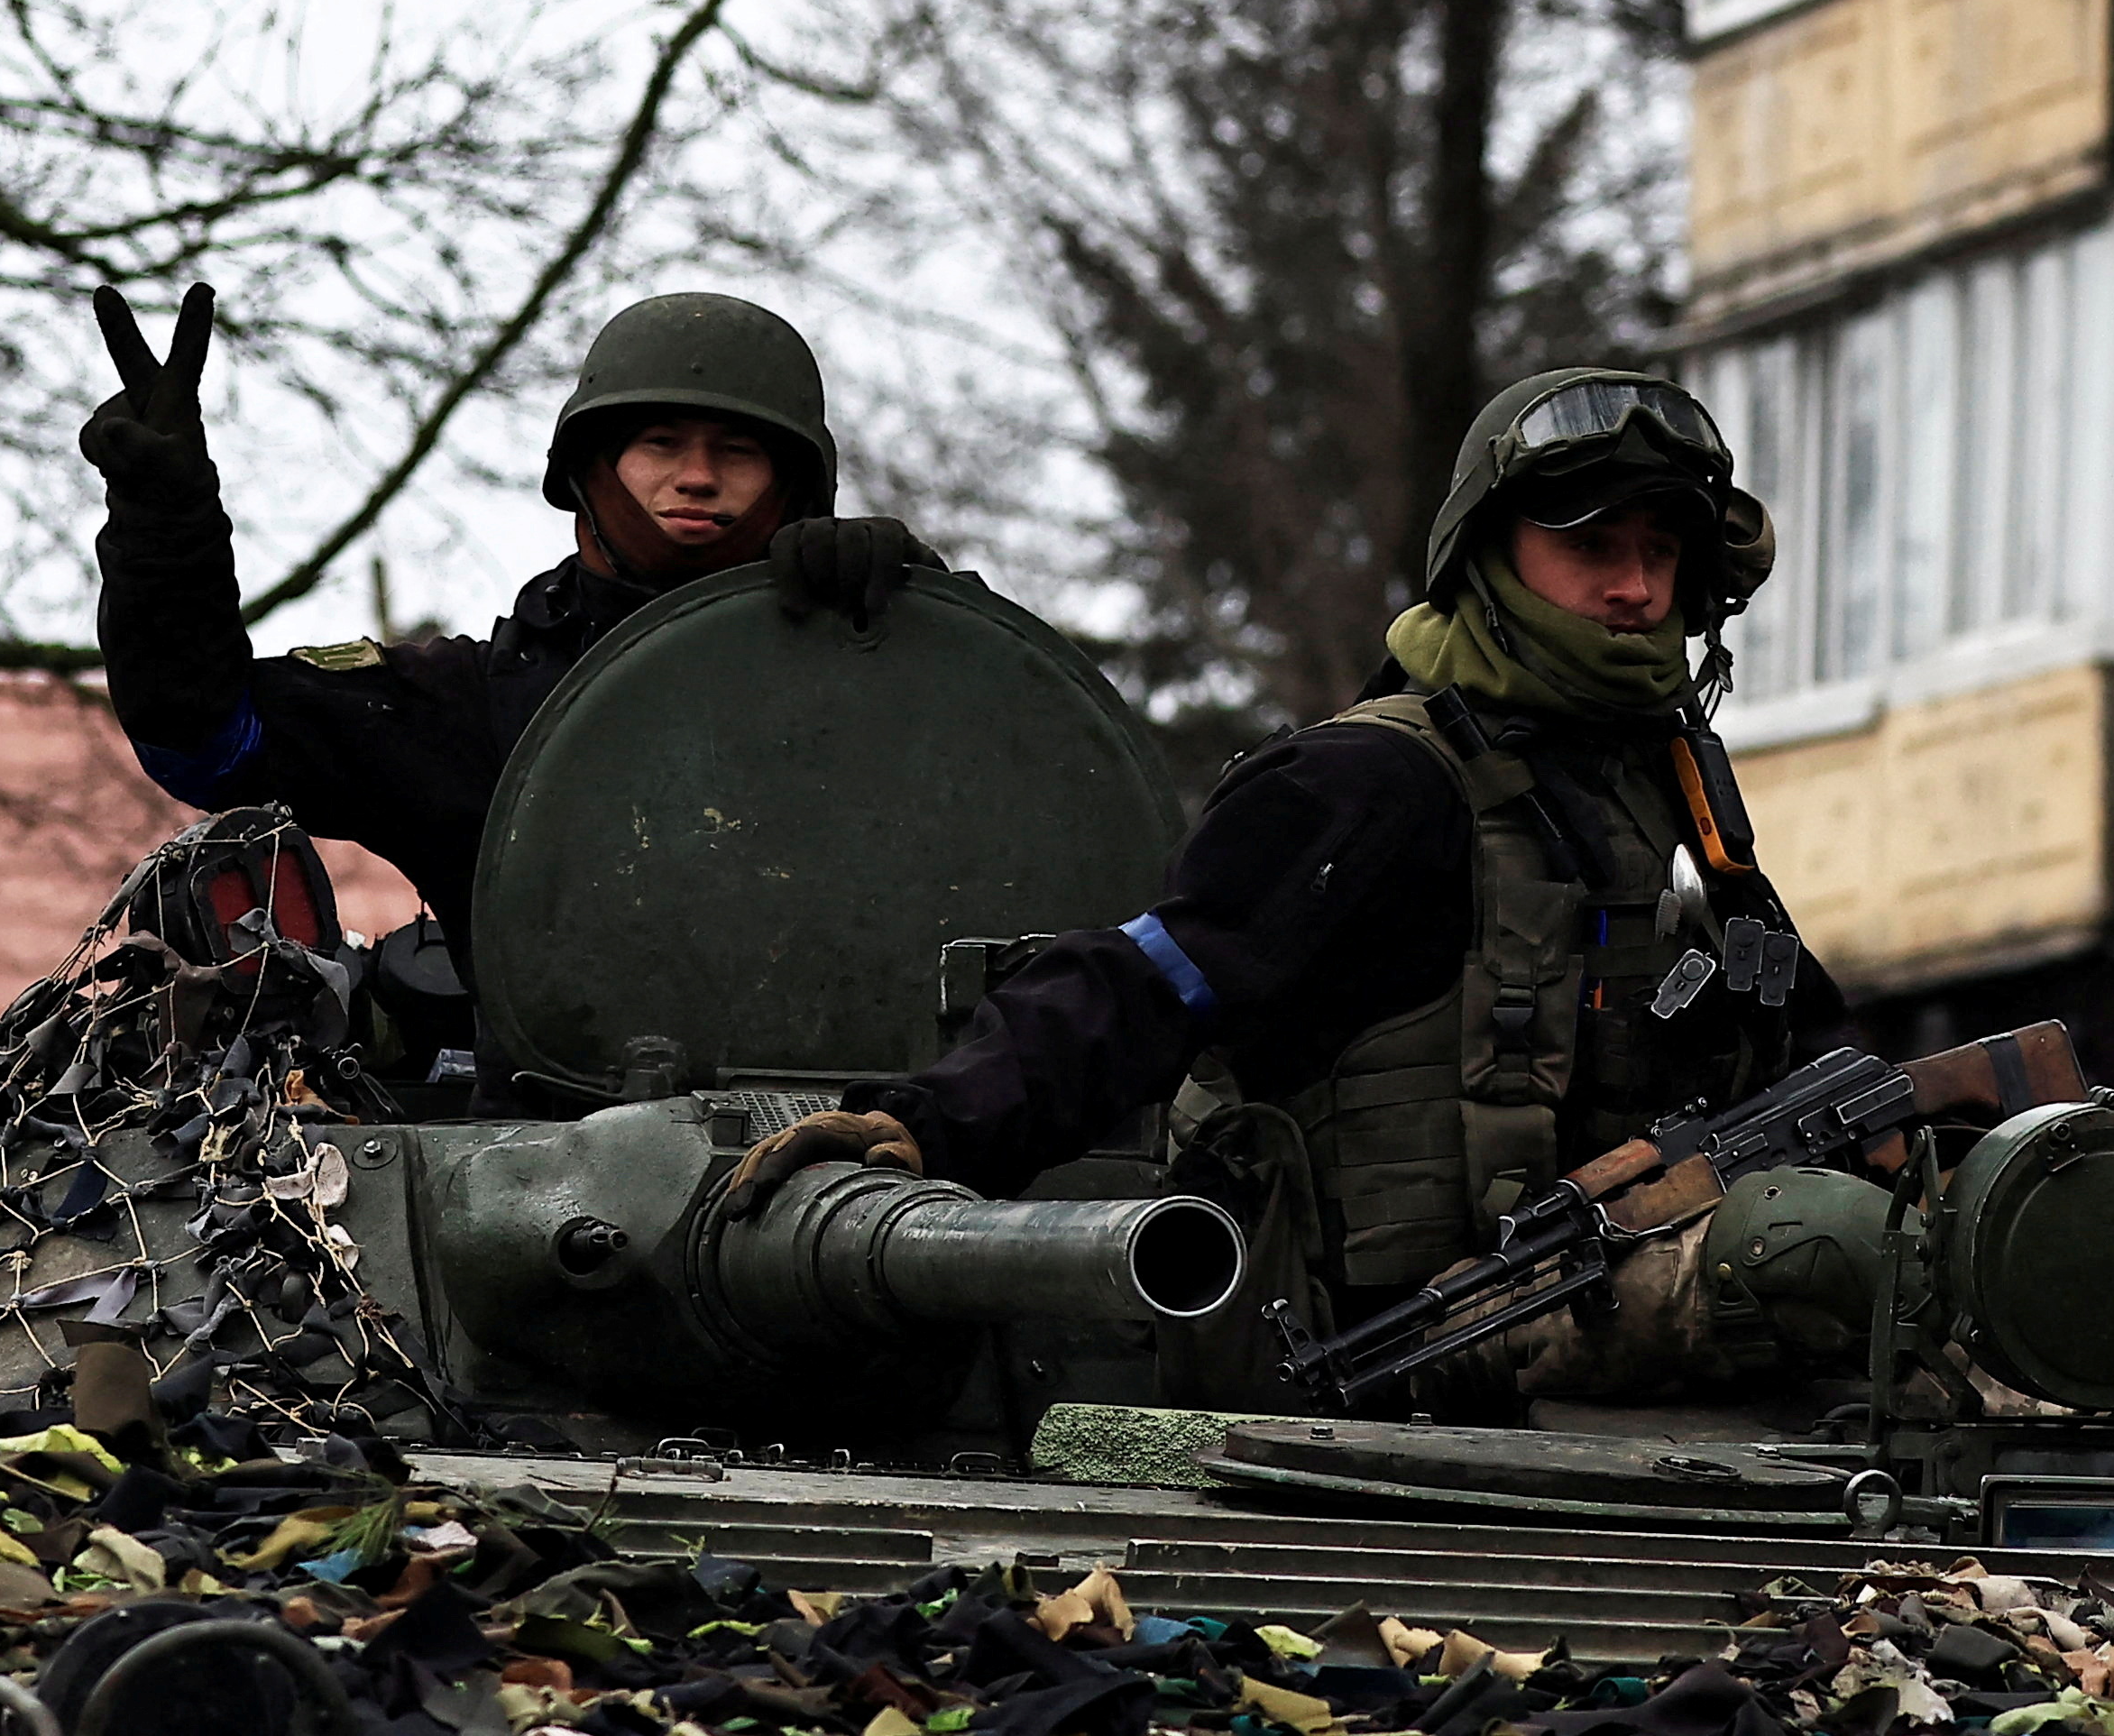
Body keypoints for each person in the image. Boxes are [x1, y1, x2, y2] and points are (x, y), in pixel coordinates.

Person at [728, 367, 1856, 1401]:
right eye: (1593, 546)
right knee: (1823, 1253)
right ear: (1488, 558)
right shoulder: (1371, 781)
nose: (1635, 589)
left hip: (1622, 1332)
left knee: (1904, 1256)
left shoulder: (1670, 791)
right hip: (1408, 1348)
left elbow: (1804, 1042)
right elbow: (1145, 983)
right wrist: (924, 1126)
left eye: (1662, 554)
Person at [79, 282, 933, 946]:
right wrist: (165, 525)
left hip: (871, 1128)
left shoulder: (866, 671)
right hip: (558, 1145)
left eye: (738, 452)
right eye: (660, 444)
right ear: (587, 470)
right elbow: (202, 739)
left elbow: (1041, 796)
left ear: (793, 484)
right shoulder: (480, 709)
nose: (698, 476)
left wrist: (923, 621)